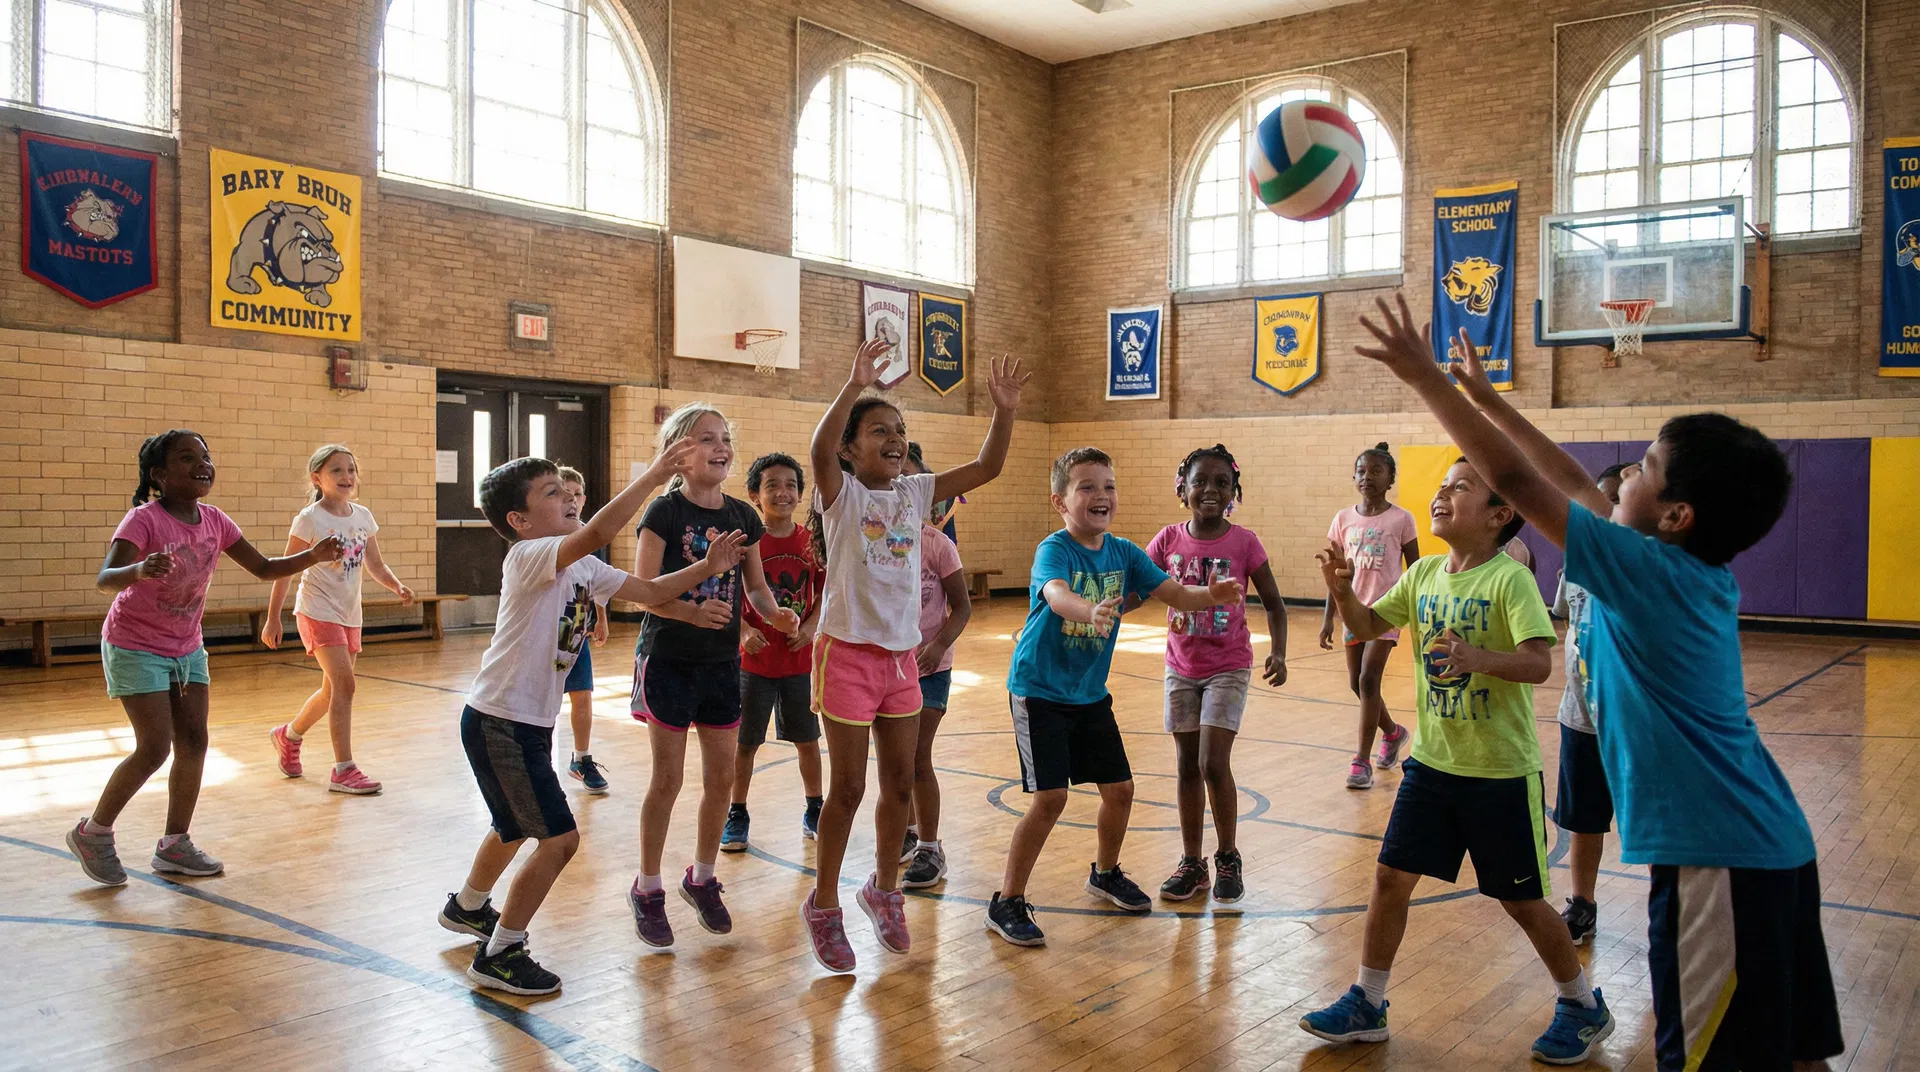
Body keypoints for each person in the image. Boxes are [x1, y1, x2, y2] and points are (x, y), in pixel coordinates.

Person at [1355, 293, 1839, 1071]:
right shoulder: (1669, 565)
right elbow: (1572, 479)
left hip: (1719, 862)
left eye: (1644, 468)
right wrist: (1489, 398)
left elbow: (1520, 478)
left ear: (1675, 514)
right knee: (1789, 1052)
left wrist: (1427, 381)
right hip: (1763, 844)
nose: (1621, 479)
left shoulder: (1649, 573)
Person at [1301, 451, 1612, 1065]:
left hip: (1499, 772)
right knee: (1390, 878)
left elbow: (1539, 662)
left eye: (1459, 488)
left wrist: (1478, 659)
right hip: (1433, 766)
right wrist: (1342, 591)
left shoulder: (1508, 579)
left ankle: (1581, 1004)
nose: (1441, 496)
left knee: (1522, 901)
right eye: (1441, 486)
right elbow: (1368, 624)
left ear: (1500, 514)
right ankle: (1368, 1000)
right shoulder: (1423, 578)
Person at [436, 439, 743, 996]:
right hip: (501, 721)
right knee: (558, 840)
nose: (569, 497)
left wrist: (706, 567)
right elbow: (601, 532)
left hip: (514, 723)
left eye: (568, 490)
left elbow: (647, 591)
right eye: (552, 493)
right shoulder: (530, 556)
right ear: (519, 520)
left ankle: (468, 907)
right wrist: (653, 476)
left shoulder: (581, 565)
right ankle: (501, 953)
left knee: (512, 827)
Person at [800, 339, 1029, 973]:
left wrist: (1003, 410)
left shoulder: (915, 492)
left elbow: (986, 467)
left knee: (898, 783)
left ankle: (883, 889)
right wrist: (853, 388)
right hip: (845, 656)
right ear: (850, 449)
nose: (895, 439)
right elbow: (817, 450)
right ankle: (823, 905)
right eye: (879, 431)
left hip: (902, 662)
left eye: (900, 430)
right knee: (845, 790)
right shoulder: (841, 495)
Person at [984, 447, 1242, 949]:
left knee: (1120, 789)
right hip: (1039, 690)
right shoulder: (1054, 548)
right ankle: (1007, 900)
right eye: (1086, 487)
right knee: (1051, 798)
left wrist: (1210, 595)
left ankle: (1105, 873)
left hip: (1088, 694)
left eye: (1108, 486)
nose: (1101, 495)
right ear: (1060, 501)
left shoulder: (1124, 553)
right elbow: (1056, 594)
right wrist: (1088, 611)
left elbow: (1175, 594)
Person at [67, 430, 344, 887]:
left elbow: (264, 568)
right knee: (155, 747)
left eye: (205, 456)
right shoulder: (144, 520)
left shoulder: (215, 521)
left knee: (194, 742)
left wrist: (311, 557)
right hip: (135, 644)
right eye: (186, 458)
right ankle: (93, 832)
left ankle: (174, 844)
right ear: (159, 474)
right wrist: (138, 570)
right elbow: (105, 578)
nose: (202, 463)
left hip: (186, 646)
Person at [628, 404, 798, 949]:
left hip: (722, 666)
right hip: (670, 660)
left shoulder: (744, 518)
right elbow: (642, 591)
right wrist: (690, 612)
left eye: (725, 437)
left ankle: (701, 877)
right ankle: (648, 887)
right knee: (667, 781)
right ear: (679, 451)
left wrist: (774, 613)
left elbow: (754, 588)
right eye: (707, 438)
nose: (720, 446)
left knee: (721, 780)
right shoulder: (662, 512)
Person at [1144, 444, 1287, 905]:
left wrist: (1279, 652)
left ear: (1233, 492)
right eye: (1200, 481)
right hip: (1180, 667)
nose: (1210, 490)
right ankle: (1192, 863)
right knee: (1187, 765)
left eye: (1221, 483)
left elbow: (1275, 604)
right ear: (1182, 487)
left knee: (1211, 762)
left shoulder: (1244, 543)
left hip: (1228, 666)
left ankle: (1227, 854)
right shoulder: (1167, 540)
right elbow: (1134, 582)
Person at [263, 444, 414, 796]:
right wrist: (273, 618)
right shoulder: (310, 519)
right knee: (345, 686)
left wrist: (396, 586)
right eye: (336, 470)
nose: (346, 476)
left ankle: (289, 735)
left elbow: (374, 563)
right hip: (317, 609)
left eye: (351, 470)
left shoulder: (363, 516)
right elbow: (285, 570)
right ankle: (343, 769)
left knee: (333, 690)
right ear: (317, 478)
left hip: (350, 613)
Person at [724, 452, 824, 851]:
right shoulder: (744, 544)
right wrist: (743, 631)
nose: (782, 493)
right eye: (772, 486)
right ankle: (737, 812)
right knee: (745, 743)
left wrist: (812, 629)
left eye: (790, 486)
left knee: (807, 740)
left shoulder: (812, 543)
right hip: (755, 663)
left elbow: (826, 595)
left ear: (800, 494)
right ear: (754, 494)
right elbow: (725, 597)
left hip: (799, 661)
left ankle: (815, 806)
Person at [1552, 462, 1626, 946]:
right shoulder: (1576, 565)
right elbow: (1564, 621)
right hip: (1580, 716)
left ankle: (1679, 907)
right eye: (1598, 501)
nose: (1603, 510)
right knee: (1584, 819)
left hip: (1633, 724)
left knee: (1651, 822)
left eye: (1616, 501)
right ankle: (1582, 904)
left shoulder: (1641, 568)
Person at [1321, 443, 1420, 789]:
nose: (1368, 477)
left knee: (1367, 680)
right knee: (1356, 684)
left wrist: (1416, 612)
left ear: (1391, 478)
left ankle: (1360, 761)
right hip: (1353, 611)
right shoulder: (1343, 519)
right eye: (1362, 471)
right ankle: (1392, 733)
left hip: (1387, 611)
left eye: (1377, 471)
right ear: (1354, 477)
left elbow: (1416, 570)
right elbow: (1334, 575)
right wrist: (1328, 617)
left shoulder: (1402, 519)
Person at [900, 445, 970, 890]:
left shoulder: (938, 546)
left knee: (916, 757)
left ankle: (930, 847)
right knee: (896, 760)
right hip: (888, 666)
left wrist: (938, 643)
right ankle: (906, 833)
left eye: (910, 483)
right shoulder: (872, 540)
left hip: (931, 665)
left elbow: (962, 609)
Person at [555, 466, 611, 793]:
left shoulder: (588, 535)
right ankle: (538, 760)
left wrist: (601, 619)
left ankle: (581, 757)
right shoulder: (542, 537)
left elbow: (599, 581)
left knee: (583, 696)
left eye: (576, 493)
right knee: (548, 699)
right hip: (548, 634)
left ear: (584, 499)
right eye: (564, 493)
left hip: (575, 630)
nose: (571, 499)